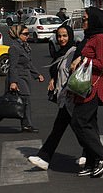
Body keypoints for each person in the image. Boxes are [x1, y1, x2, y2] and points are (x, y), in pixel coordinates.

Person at [28, 25, 84, 170]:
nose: (62, 39)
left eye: (65, 36)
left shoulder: (73, 52)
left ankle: (44, 157)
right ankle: (91, 152)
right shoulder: (60, 52)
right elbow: (58, 69)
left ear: (70, 36)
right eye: (59, 36)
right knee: (79, 128)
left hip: (70, 96)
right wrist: (53, 79)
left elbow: (73, 72)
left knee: (59, 128)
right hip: (64, 96)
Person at [69, 7, 103, 178]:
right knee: (90, 126)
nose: (83, 21)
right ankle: (91, 162)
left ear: (95, 20)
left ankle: (102, 157)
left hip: (93, 88)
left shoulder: (101, 39)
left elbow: (102, 63)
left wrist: (83, 59)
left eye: (86, 19)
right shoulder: (90, 37)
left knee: (78, 122)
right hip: (83, 88)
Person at [0, 24, 45, 133]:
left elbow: (28, 63)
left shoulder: (24, 46)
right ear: (18, 35)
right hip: (17, 77)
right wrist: (13, 82)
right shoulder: (14, 48)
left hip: (25, 76)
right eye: (25, 34)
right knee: (24, 100)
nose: (28, 36)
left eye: (28, 34)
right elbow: (12, 67)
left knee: (10, 101)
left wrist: (37, 74)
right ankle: (27, 125)